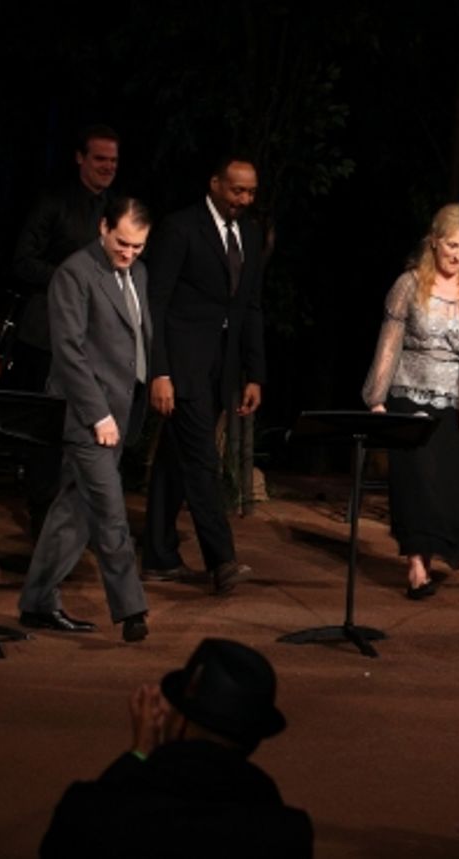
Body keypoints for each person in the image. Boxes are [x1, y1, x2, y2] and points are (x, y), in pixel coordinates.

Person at [17, 198, 153, 643]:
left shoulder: (139, 273)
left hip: (123, 410)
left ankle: (37, 600)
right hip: (87, 415)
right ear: (102, 228)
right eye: (122, 243)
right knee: (110, 511)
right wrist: (98, 414)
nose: (128, 253)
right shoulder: (74, 273)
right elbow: (69, 352)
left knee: (71, 513)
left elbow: (138, 339)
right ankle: (131, 611)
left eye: (137, 246)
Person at [40, 638, 313, 858]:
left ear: (180, 722)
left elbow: (74, 835)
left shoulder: (90, 812)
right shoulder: (286, 834)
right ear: (253, 739)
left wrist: (138, 753)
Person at [361, 203, 459, 597]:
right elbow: (390, 343)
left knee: (449, 487)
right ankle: (416, 567)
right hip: (412, 395)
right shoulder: (408, 285)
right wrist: (377, 399)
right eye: (451, 246)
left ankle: (432, 554)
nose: (458, 255)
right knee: (416, 481)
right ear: (434, 241)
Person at [143, 156, 265, 592]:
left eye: (250, 192)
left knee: (176, 460)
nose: (244, 200)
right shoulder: (180, 228)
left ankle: (157, 555)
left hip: (223, 368)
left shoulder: (250, 233)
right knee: (201, 460)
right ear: (215, 184)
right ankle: (222, 560)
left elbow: (249, 305)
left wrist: (254, 373)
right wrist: (159, 372)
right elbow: (154, 303)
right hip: (182, 366)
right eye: (237, 191)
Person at [10, 124, 120, 539]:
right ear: (80, 159)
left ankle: (75, 522)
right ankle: (42, 520)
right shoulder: (53, 204)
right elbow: (22, 261)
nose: (107, 166)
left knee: (86, 430)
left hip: (95, 341)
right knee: (46, 431)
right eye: (99, 158)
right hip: (46, 336)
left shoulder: (115, 209)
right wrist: (70, 279)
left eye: (113, 160)